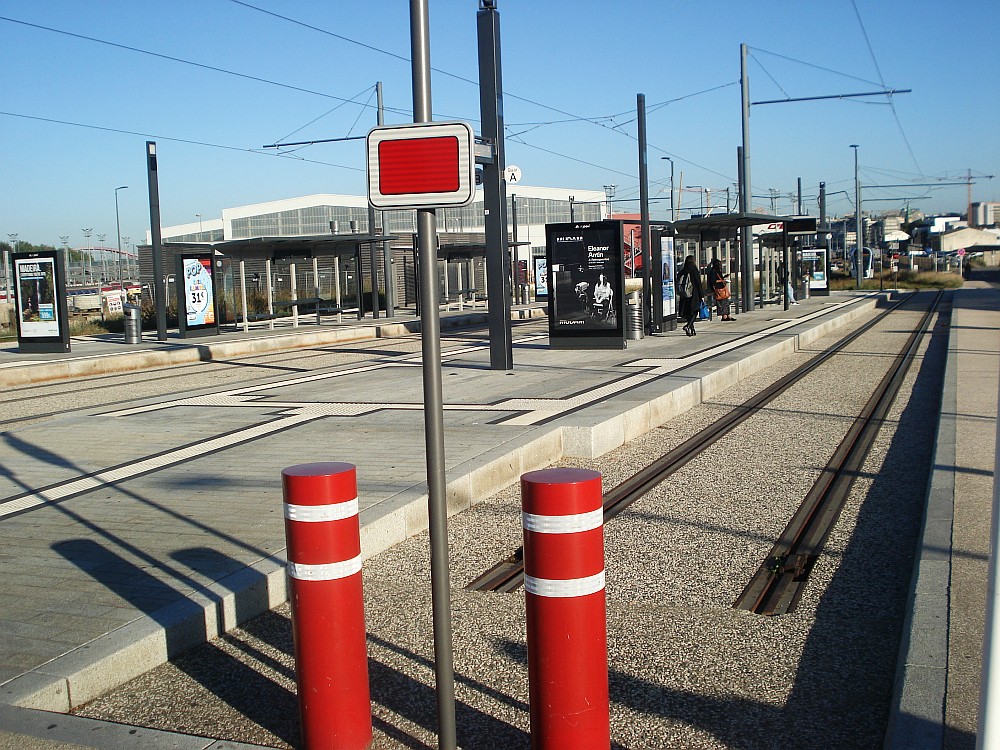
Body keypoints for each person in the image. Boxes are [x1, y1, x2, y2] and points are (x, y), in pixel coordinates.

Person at [676, 255, 703, 336]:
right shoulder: (694, 270)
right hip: (693, 294)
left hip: (684, 295)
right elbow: (698, 284)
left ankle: (692, 329)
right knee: (695, 311)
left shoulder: (682, 271)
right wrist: (702, 295)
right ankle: (688, 326)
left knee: (688, 312)